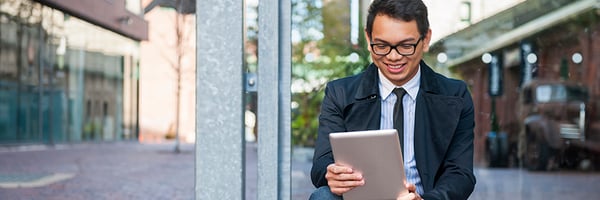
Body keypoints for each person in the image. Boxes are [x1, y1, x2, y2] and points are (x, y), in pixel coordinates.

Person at [309, 0, 476, 199]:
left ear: (426, 39)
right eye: (382, 45)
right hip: (361, 197)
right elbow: (321, 164)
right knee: (323, 196)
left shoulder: (455, 96)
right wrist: (331, 173)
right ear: (368, 38)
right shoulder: (340, 93)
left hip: (424, 197)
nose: (394, 57)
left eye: (406, 46)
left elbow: (460, 174)